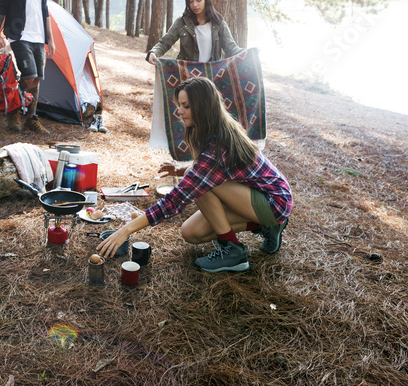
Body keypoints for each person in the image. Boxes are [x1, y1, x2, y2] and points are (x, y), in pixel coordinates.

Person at [97, 77, 291, 273]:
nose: (179, 111)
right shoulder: (216, 130)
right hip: (252, 195)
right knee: (191, 233)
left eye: (186, 106)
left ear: (204, 107)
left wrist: (126, 229)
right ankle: (266, 227)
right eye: (180, 105)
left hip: (274, 200)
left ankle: (233, 252)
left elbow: (175, 200)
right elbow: (217, 169)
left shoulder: (220, 144)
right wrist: (181, 170)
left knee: (198, 182)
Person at [0, 0, 56, 135]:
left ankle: (31, 118)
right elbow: (1, 7)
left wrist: (50, 39)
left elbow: (46, 14)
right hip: (19, 36)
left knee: (37, 78)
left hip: (38, 37)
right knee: (28, 75)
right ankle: (13, 111)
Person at [146, 0, 243, 65]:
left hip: (212, 77)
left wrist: (247, 53)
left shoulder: (219, 24)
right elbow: (165, 42)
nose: (195, 5)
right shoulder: (182, 22)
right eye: (191, 1)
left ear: (206, 0)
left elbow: (231, 48)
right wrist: (153, 52)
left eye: (199, 0)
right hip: (187, 76)